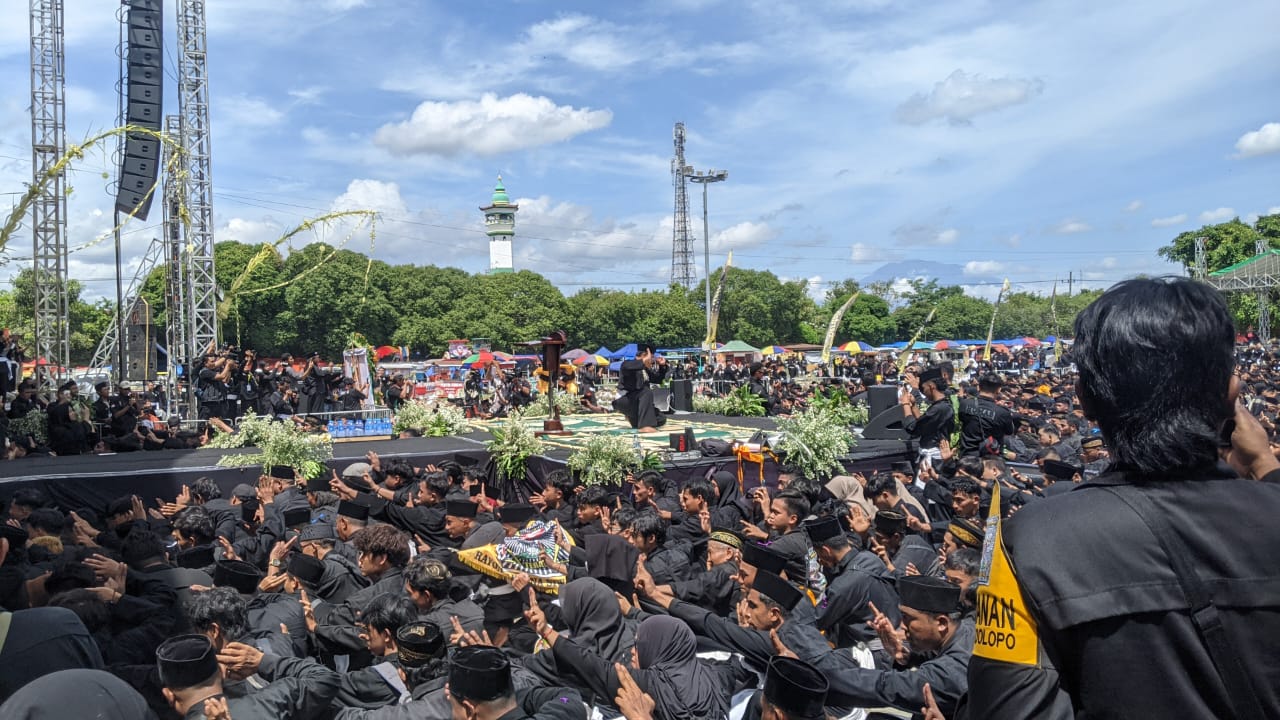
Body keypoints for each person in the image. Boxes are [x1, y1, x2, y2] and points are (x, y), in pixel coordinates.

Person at [964, 278, 1280, 719]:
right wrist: (1266, 467)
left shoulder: (1027, 542)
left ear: (1085, 400)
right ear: (1232, 392)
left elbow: (1009, 708)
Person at [613, 343, 669, 431]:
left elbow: (657, 379)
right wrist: (644, 361)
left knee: (661, 418)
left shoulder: (645, 369)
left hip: (637, 402)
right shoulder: (627, 364)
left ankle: (636, 420)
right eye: (651, 358)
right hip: (625, 400)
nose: (652, 361)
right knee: (646, 391)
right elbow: (629, 367)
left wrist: (662, 366)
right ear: (644, 356)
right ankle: (645, 426)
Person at [957, 373, 1016, 457]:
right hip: (989, 460)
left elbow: (961, 419)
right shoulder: (1002, 412)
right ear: (999, 390)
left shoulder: (965, 404)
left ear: (979, 387)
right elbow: (1009, 431)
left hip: (966, 457)